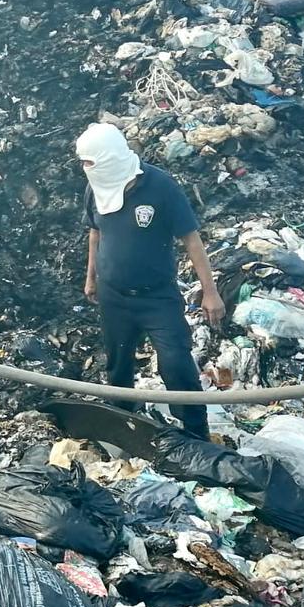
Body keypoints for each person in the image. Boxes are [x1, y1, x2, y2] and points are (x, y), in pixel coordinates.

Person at [77, 123, 224, 440]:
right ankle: (123, 426)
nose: (84, 169)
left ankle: (196, 433)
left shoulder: (161, 187)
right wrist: (91, 278)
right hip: (113, 296)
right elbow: (95, 233)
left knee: (176, 363)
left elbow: (192, 240)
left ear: (110, 158)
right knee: (118, 365)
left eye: (90, 162)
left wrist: (210, 292)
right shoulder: (95, 188)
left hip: (156, 297)